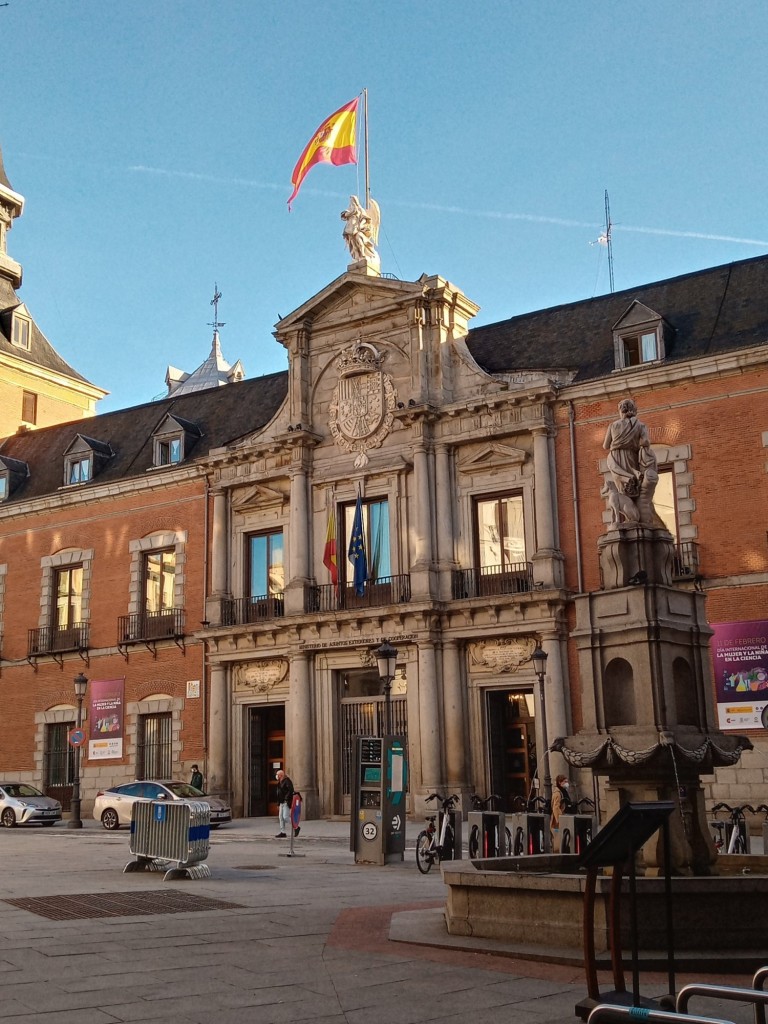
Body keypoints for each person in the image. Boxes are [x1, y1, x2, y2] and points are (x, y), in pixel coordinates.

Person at [550, 774, 574, 852]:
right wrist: (560, 820)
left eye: (567, 781)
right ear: (560, 782)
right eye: (565, 781)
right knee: (558, 838)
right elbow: (556, 808)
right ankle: (558, 852)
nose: (567, 783)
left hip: (564, 816)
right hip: (558, 820)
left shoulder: (562, 791)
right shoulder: (558, 793)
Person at [275, 769, 299, 838]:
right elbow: (279, 794)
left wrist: (286, 799)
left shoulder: (287, 781)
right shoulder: (280, 782)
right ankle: (283, 832)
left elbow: (290, 790)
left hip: (286, 802)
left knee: (285, 817)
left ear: (281, 775)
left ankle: (296, 827)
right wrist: (278, 803)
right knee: (280, 817)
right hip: (281, 802)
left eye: (277, 775)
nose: (276, 776)